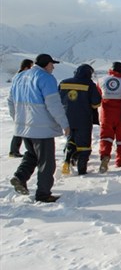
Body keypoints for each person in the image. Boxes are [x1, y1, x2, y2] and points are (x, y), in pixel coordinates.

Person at [8, 54, 70, 202]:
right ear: (46, 64)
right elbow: (53, 104)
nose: (53, 67)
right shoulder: (45, 78)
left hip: (23, 126)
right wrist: (64, 124)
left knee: (32, 155)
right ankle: (43, 194)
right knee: (46, 162)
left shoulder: (20, 76)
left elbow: (10, 101)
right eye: (52, 64)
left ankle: (19, 177)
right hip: (41, 128)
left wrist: (17, 119)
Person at [59, 64, 102, 175]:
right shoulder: (89, 84)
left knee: (70, 140)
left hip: (66, 117)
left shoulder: (63, 83)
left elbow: (56, 100)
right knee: (84, 145)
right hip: (83, 118)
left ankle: (67, 160)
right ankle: (82, 170)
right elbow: (96, 102)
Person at [96, 62, 121, 173]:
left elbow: (97, 96)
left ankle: (105, 156)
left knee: (106, 137)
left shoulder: (101, 80)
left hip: (106, 114)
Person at [9, 58, 34, 158]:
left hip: (20, 108)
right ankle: (14, 151)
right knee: (21, 129)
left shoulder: (19, 77)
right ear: (26, 67)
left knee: (21, 129)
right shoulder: (20, 78)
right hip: (19, 108)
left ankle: (14, 150)